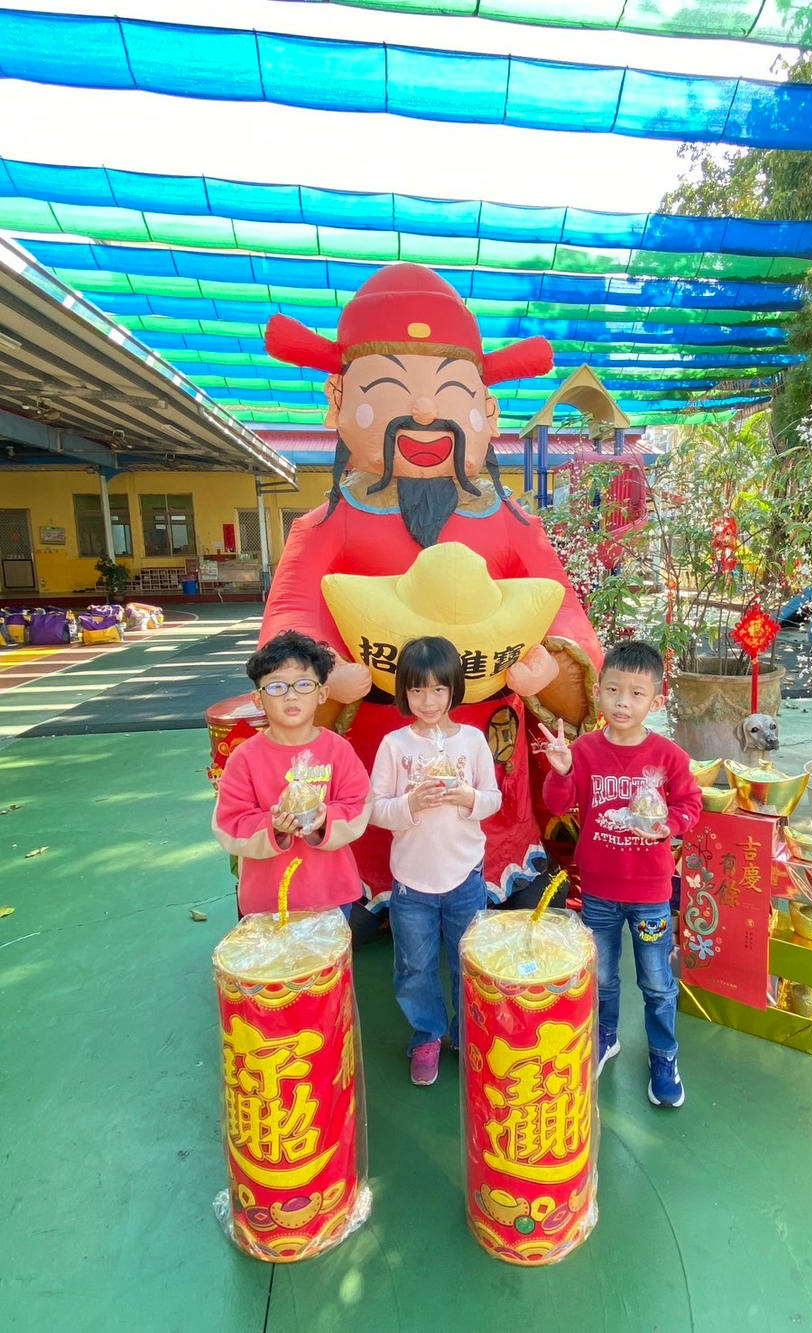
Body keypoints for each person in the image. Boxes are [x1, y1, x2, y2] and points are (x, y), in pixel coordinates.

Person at [257, 263, 603, 912]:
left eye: (448, 392)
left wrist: (550, 669)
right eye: (389, 389)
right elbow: (290, 619)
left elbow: (569, 617)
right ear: (337, 402)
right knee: (375, 823)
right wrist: (323, 673)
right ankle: (367, 881)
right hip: (376, 749)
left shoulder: (511, 522)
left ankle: (501, 864)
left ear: (488, 413)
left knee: (493, 833)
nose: (422, 411)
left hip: (486, 749)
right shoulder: (327, 524)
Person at [540, 639, 702, 1108]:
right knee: (604, 976)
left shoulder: (669, 756)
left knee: (657, 982)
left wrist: (668, 826)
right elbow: (557, 804)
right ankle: (606, 1036)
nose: (622, 703)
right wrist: (561, 770)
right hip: (598, 891)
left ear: (657, 700)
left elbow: (690, 804)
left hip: (651, 893)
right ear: (598, 693)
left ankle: (664, 1055)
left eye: (636, 693)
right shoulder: (585, 749)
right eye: (613, 690)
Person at [369, 636, 502, 1087]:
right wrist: (410, 804)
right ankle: (427, 1034)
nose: (429, 700)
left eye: (439, 689)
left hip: (465, 875)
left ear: (454, 689)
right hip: (411, 883)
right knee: (415, 965)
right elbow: (376, 809)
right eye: (418, 689)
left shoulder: (472, 740)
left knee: (467, 959)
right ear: (404, 692)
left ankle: (467, 1033)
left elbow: (493, 799)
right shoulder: (394, 745)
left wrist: (467, 797)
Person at [213, 630, 373, 918]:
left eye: (303, 684)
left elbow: (359, 806)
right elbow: (229, 825)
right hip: (267, 901)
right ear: (258, 699)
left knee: (332, 951)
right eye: (276, 687)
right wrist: (273, 825)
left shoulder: (338, 750)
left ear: (322, 694)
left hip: (331, 896)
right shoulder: (244, 758)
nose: (291, 695)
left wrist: (325, 818)